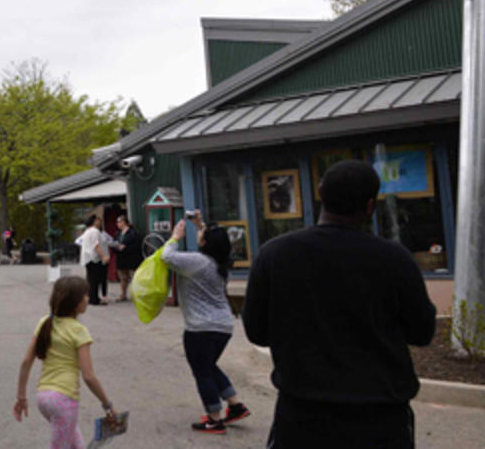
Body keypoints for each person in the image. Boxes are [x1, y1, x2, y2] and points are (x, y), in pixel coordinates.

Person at [242, 160, 436, 448]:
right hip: (381, 419)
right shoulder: (395, 259)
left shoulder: (274, 255)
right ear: (370, 206)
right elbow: (422, 332)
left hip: (302, 418)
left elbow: (257, 332)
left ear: (320, 192)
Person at [161, 212, 250, 434]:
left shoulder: (197, 261)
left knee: (202, 373)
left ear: (205, 242)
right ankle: (235, 406)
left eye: (202, 234)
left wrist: (174, 237)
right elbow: (215, 239)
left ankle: (214, 419)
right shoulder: (221, 263)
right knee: (208, 367)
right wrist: (199, 224)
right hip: (223, 325)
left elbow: (167, 257)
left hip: (200, 328)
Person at [12, 276, 117, 449]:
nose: (88, 299)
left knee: (77, 445)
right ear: (75, 302)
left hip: (44, 397)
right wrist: (107, 405)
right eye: (85, 295)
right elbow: (89, 376)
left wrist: (21, 397)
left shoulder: (45, 322)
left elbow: (26, 362)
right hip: (64, 401)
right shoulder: (79, 331)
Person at [111, 215, 143, 301]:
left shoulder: (133, 233)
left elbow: (137, 246)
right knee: (123, 278)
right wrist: (116, 248)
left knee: (134, 277)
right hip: (121, 258)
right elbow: (114, 243)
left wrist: (126, 247)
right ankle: (123, 294)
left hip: (132, 258)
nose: (117, 224)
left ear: (124, 222)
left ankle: (137, 295)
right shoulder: (117, 233)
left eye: (118, 222)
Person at [78, 215, 110, 305]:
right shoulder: (95, 231)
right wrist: (104, 256)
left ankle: (91, 297)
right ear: (94, 221)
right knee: (95, 280)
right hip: (94, 258)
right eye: (98, 220)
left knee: (91, 279)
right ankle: (94, 299)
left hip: (87, 258)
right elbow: (96, 245)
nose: (99, 222)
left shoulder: (87, 231)